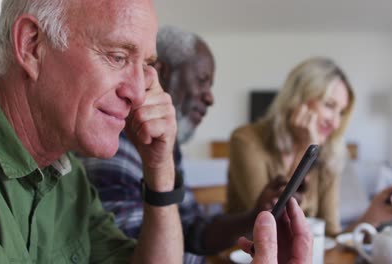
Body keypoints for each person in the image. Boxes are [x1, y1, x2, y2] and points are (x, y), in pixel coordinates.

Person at [0, 0, 311, 263]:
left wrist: (160, 170)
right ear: (32, 45)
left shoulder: (66, 173)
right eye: (118, 56)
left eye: (147, 65)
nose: (138, 93)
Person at [81, 26, 300, 263]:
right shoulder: (113, 149)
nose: (210, 97)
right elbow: (140, 253)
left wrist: (254, 216)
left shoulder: (166, 146)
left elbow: (192, 229)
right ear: (160, 73)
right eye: (202, 80)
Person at [226, 56, 392, 236]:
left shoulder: (328, 152)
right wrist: (305, 150)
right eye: (329, 105)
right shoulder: (246, 140)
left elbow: (331, 237)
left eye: (341, 112)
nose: (335, 122)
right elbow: (271, 227)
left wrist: (374, 214)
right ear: (298, 99)